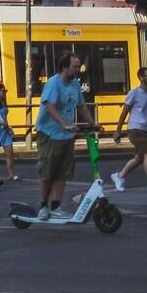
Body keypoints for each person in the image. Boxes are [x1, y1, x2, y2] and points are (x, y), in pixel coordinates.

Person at [35, 53, 88, 221]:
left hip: (66, 135)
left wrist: (94, 123)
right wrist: (64, 123)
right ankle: (43, 206)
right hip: (49, 133)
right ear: (65, 67)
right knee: (47, 170)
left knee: (62, 172)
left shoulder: (74, 84)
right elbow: (49, 106)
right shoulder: (53, 83)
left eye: (78, 66)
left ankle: (56, 206)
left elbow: (81, 105)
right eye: (75, 66)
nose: (78, 69)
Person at [111, 67, 147, 193]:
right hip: (135, 129)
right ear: (141, 78)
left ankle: (119, 176)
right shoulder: (134, 93)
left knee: (139, 158)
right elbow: (124, 112)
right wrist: (118, 130)